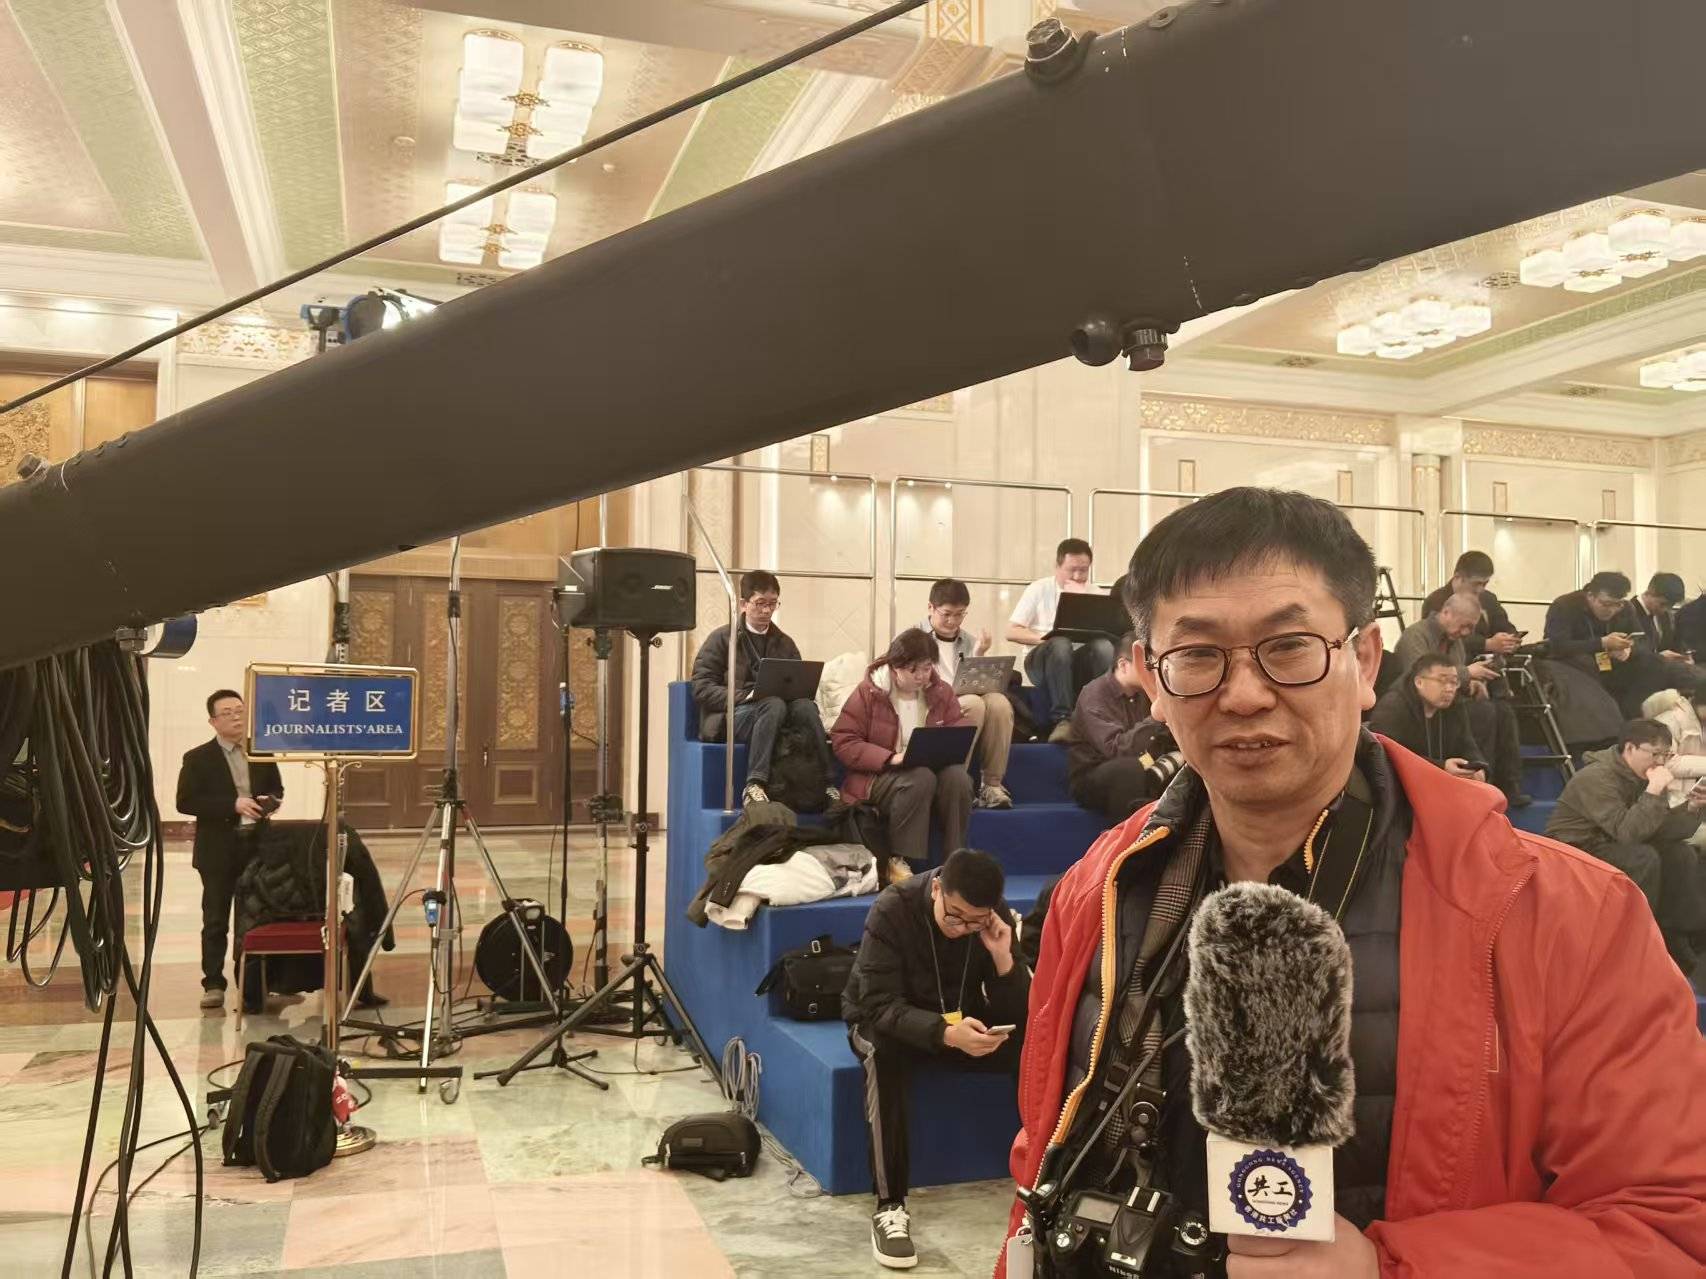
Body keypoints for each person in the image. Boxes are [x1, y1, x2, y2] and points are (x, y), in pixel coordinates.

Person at [1005, 487, 1706, 1278]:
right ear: (1150, 679)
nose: (1244, 694)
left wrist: (1393, 1268)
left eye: (1290, 646)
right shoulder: (1095, 888)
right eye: (1198, 655)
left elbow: (1672, 1231)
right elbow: (1043, 1153)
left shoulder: (1571, 915)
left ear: (1366, 659)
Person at [843, 848, 1028, 1270]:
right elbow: (876, 1004)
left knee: (1035, 1046)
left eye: (975, 921)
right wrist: (944, 1033)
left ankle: (1048, 1177)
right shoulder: (893, 907)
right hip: (888, 1019)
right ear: (937, 889)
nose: (963, 929)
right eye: (955, 916)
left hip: (958, 1022)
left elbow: (1018, 1011)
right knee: (882, 1054)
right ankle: (890, 1206)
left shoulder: (990, 916)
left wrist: (1004, 959)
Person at [1545, 718, 1706, 974]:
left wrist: (1692, 808)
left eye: (1666, 755)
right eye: (1655, 754)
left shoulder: (1646, 775)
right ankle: (1634, 940)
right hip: (1573, 850)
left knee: (1679, 853)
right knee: (1642, 857)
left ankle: (1676, 935)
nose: (1660, 762)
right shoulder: (1597, 777)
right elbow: (1628, 833)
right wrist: (1653, 791)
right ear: (1630, 748)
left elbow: (1659, 830)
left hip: (1612, 842)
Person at [831, 629, 974, 883]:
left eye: (927, 668)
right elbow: (844, 741)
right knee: (920, 778)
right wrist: (890, 757)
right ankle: (898, 861)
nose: (921, 676)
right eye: (913, 670)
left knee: (958, 777)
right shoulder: (870, 692)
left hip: (929, 769)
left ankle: (954, 859)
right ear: (895, 668)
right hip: (878, 776)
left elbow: (956, 727)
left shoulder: (941, 691)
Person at [690, 569, 836, 808]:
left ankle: (828, 784)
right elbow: (701, 688)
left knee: (806, 707)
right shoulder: (722, 639)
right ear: (743, 604)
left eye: (772, 603)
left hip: (775, 713)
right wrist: (745, 696)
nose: (767, 610)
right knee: (772, 703)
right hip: (732, 716)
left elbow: (798, 685)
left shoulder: (785, 642)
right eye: (760, 603)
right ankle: (754, 784)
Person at [176, 689, 284, 1011]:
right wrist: (232, 805)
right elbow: (185, 802)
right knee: (216, 919)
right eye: (227, 712)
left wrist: (269, 802)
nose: (236, 716)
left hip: (257, 847)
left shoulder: (261, 751)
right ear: (213, 721)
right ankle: (213, 983)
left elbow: (276, 789)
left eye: (240, 710)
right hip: (218, 850)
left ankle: (255, 984)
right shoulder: (197, 758)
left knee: (257, 918)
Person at [1391, 591, 1528, 806]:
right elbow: (1418, 677)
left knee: (1503, 711)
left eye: (1470, 628)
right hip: (1418, 708)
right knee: (1483, 713)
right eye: (1463, 626)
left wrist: (1468, 684)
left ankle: (1502, 782)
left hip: (1448, 703)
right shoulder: (1415, 636)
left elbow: (1451, 679)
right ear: (1446, 612)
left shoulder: (1455, 642)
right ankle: (1474, 781)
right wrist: (1467, 673)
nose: (1465, 633)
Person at [1543, 570, 1697, 717]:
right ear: (1590, 596)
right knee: (1587, 664)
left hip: (1611, 663)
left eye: (1617, 604)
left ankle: (1635, 718)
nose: (1612, 610)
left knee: (1654, 664)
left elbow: (1641, 642)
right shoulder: (1565, 605)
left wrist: (1628, 649)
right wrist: (1601, 643)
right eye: (1606, 604)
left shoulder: (1625, 608)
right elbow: (1557, 646)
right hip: (1574, 663)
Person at [1006, 538, 1114, 743]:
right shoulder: (1039, 589)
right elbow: (1011, 631)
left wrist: (1083, 602)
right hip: (1042, 661)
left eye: (1083, 570)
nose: (1077, 576)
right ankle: (1063, 719)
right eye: (1071, 570)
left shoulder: (1094, 593)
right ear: (1057, 567)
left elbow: (1107, 634)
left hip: (1077, 663)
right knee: (1060, 643)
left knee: (1104, 647)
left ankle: (1100, 713)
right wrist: (1045, 639)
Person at [921, 578, 1014, 809]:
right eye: (946, 614)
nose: (953, 621)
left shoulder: (970, 641)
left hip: (963, 699)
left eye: (960, 614)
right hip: (929, 705)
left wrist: (979, 654)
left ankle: (991, 785)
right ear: (931, 607)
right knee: (973, 703)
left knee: (999, 703)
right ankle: (955, 783)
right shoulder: (913, 638)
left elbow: (976, 681)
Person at [1067, 632, 1169, 826]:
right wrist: (1155, 717)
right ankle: (1128, 838)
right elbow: (1115, 749)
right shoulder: (1094, 694)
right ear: (1123, 665)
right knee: (1129, 769)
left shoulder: (1143, 693)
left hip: (1140, 763)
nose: (1153, 673)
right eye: (1147, 667)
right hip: (1093, 774)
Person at [1366, 653, 1487, 782]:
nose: (1450, 689)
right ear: (1419, 682)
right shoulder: (1393, 707)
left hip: (1445, 779)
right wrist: (1441, 766)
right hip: (1402, 783)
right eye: (1442, 681)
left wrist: (1478, 766)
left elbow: (1467, 743)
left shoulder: (1455, 705)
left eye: (1454, 682)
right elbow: (1389, 757)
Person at [1420, 549, 1521, 660]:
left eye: (1485, 584)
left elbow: (1505, 626)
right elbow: (1440, 639)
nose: (1480, 589)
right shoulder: (1435, 601)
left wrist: (1510, 640)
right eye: (1476, 584)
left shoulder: (1488, 598)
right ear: (1458, 578)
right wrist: (1486, 644)